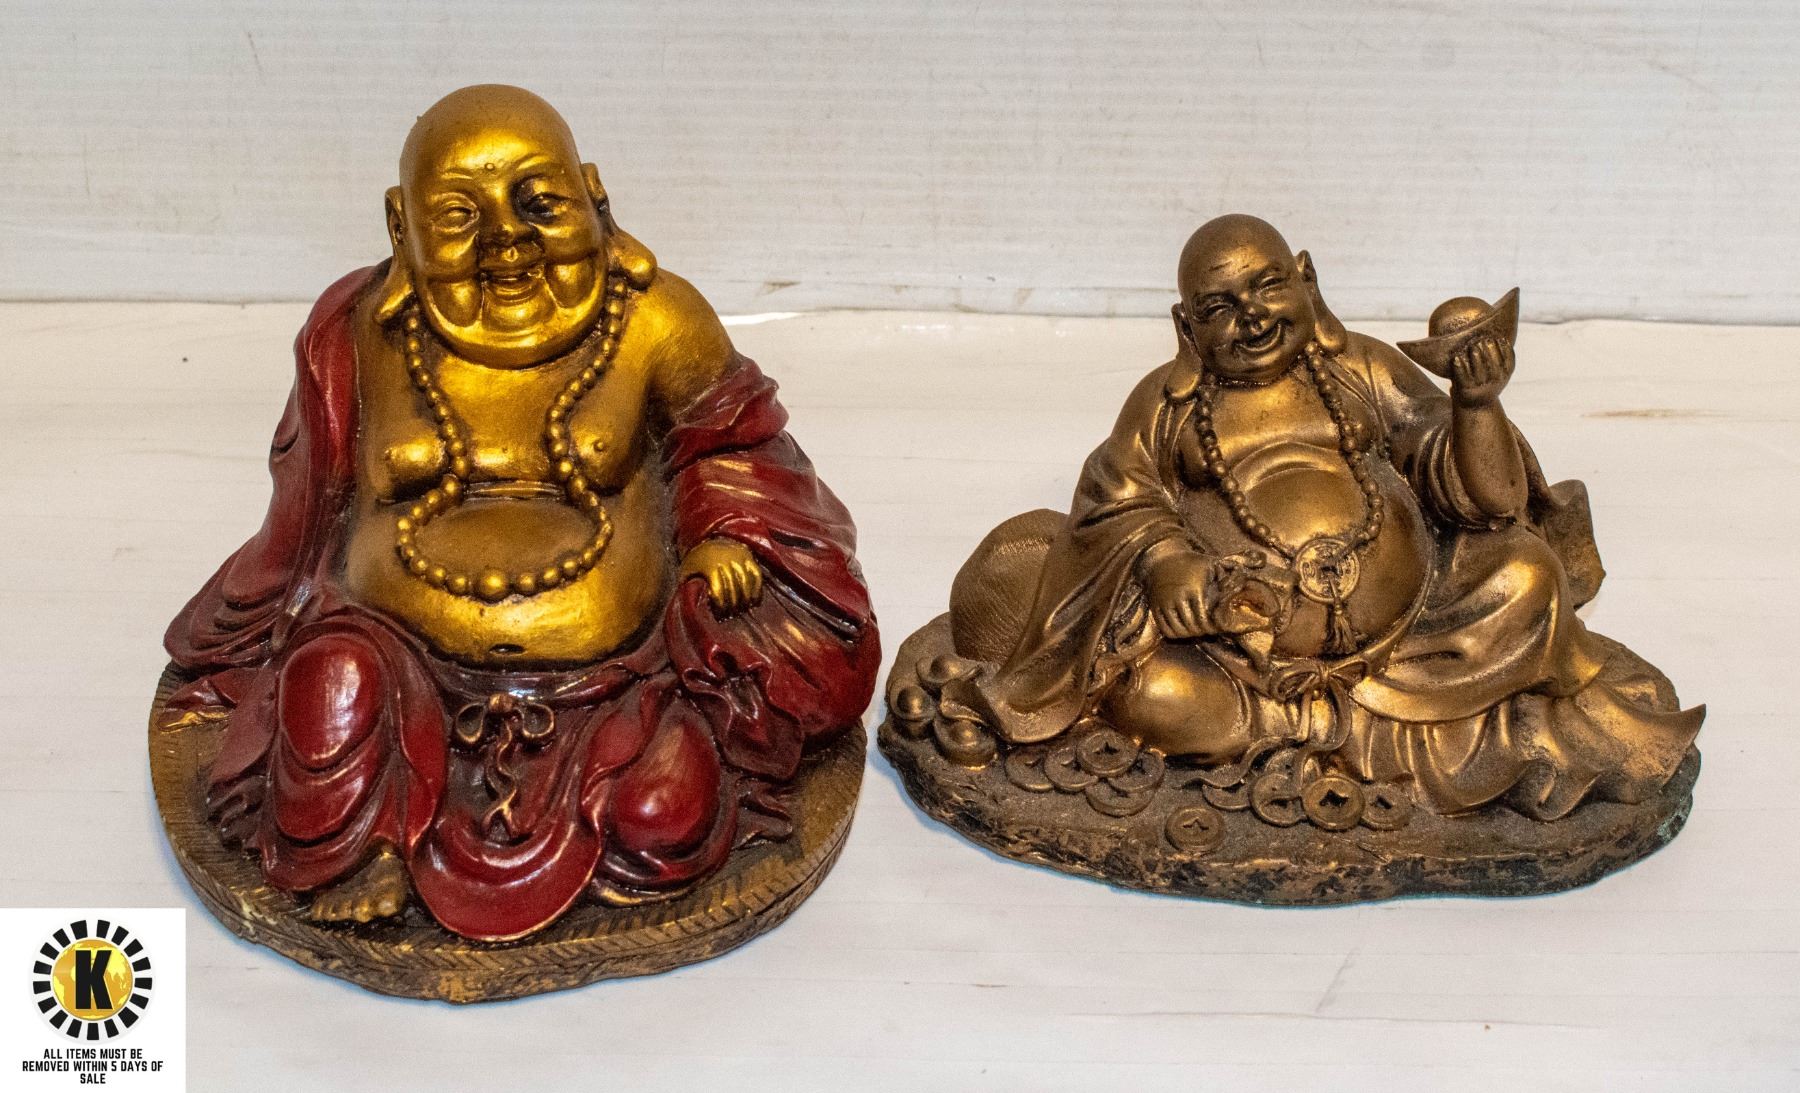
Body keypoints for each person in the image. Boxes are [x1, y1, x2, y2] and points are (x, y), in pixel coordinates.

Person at [163, 86, 878, 940]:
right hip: (393, 658)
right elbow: (307, 515)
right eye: (459, 217)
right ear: (400, 227)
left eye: (540, 202)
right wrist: (277, 615)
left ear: (594, 196)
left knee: (665, 811)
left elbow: (736, 447)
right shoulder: (357, 334)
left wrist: (719, 534)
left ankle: (602, 815)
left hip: (620, 681)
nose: (507, 240)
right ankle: (368, 843)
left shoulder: (654, 319)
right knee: (330, 684)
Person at [943, 214, 1699, 819]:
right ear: (1186, 327)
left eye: (1268, 287)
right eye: (1219, 309)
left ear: (1306, 279)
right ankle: (1312, 728)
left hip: (1413, 634)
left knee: (1527, 574)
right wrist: (1168, 559)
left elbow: (1483, 495)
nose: (1251, 319)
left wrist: (1475, 404)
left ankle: (1333, 727)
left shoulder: (1358, 366)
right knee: (1151, 694)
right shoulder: (1168, 406)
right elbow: (1117, 497)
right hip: (1247, 657)